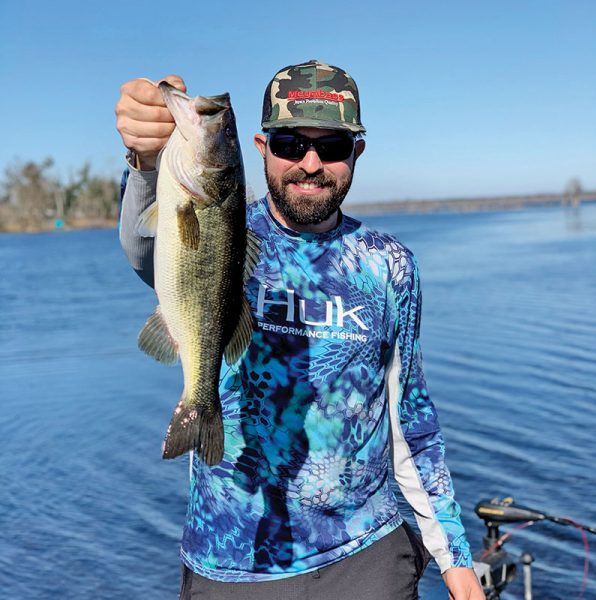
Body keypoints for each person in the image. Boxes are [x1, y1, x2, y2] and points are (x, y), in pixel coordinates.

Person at [115, 60, 485, 600]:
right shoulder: (229, 229)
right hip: (231, 561)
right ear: (262, 147)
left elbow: (412, 421)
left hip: (367, 557)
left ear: (356, 152)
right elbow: (145, 246)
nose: (310, 164)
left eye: (331, 146)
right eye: (291, 143)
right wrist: (146, 161)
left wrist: (455, 558)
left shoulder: (389, 265)